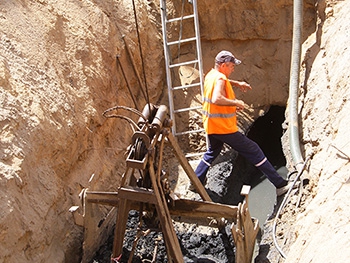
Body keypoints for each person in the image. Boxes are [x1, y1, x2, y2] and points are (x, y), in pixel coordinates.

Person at [194, 50, 293, 196]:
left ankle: (195, 181)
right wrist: (235, 103)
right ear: (223, 65)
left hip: (211, 125)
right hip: (224, 128)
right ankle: (279, 184)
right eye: (232, 66)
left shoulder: (211, 75)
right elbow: (216, 98)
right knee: (254, 150)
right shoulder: (221, 78)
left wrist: (237, 83)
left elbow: (220, 82)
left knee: (212, 152)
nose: (233, 69)